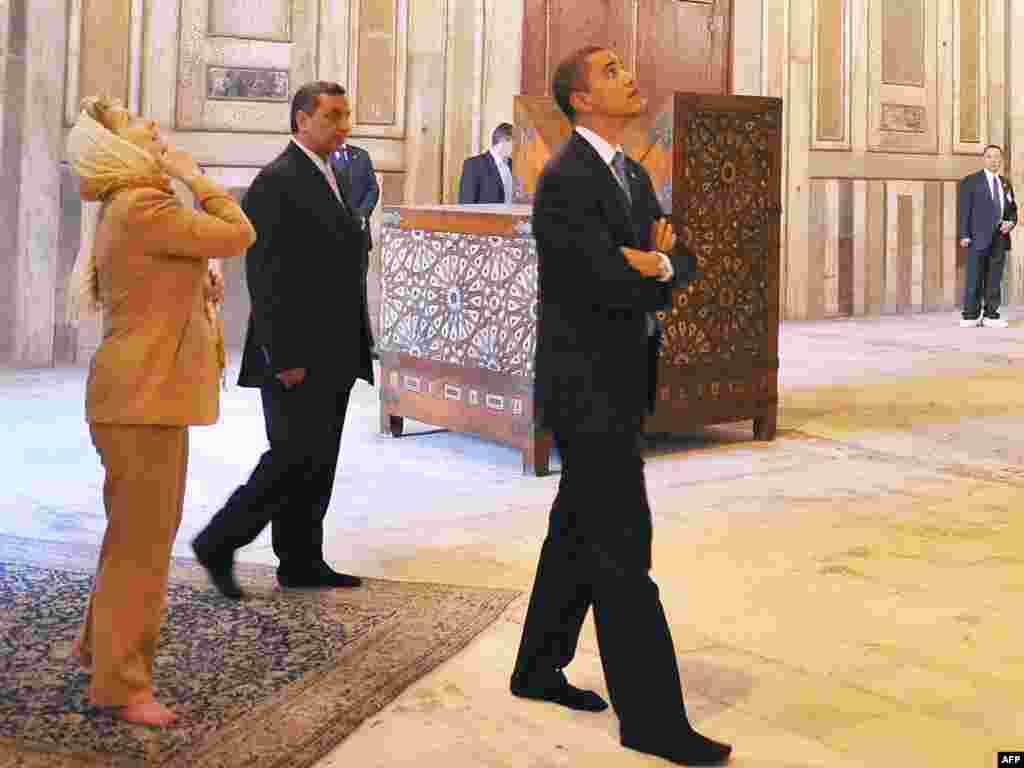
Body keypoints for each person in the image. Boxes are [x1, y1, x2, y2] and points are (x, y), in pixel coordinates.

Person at [508, 47, 732, 766]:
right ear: (578, 100)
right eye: (608, 71)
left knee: (577, 531)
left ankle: (536, 669)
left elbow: (679, 256)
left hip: (623, 379)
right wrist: (641, 265)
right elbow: (597, 280)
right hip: (585, 390)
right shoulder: (565, 179)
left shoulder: (630, 173)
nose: (629, 76)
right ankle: (653, 721)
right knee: (623, 555)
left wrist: (657, 262)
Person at [64, 95, 256, 726]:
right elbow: (238, 233)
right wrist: (199, 178)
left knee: (131, 535)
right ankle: (121, 686)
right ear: (121, 148)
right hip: (141, 397)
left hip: (136, 394)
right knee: (142, 546)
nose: (155, 129)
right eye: (140, 125)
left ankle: (98, 650)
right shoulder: (146, 204)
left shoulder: (136, 204)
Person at [191, 81, 374, 599]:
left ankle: (300, 560)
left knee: (316, 461)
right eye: (333, 116)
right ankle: (219, 541)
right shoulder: (276, 180)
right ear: (301, 120)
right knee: (291, 458)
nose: (345, 126)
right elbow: (265, 277)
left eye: (346, 115)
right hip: (296, 355)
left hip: (334, 350)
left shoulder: (332, 173)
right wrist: (284, 356)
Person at [958, 144, 1017, 328]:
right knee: (974, 276)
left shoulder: (1005, 183)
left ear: (1001, 160)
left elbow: (1012, 209)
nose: (994, 160)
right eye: (990, 157)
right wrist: (964, 234)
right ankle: (970, 315)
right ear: (984, 159)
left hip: (999, 237)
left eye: (997, 157)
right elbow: (964, 210)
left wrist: (1011, 222)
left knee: (994, 278)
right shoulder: (971, 181)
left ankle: (991, 315)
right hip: (977, 237)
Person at [330, 140, 380, 253]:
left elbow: (373, 188)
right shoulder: (320, 155)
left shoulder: (362, 155)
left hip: (359, 236)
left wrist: (362, 214)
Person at [458, 123, 516, 204]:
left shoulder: (514, 165)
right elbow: (466, 204)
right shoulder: (474, 165)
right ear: (504, 141)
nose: (519, 147)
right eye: (516, 143)